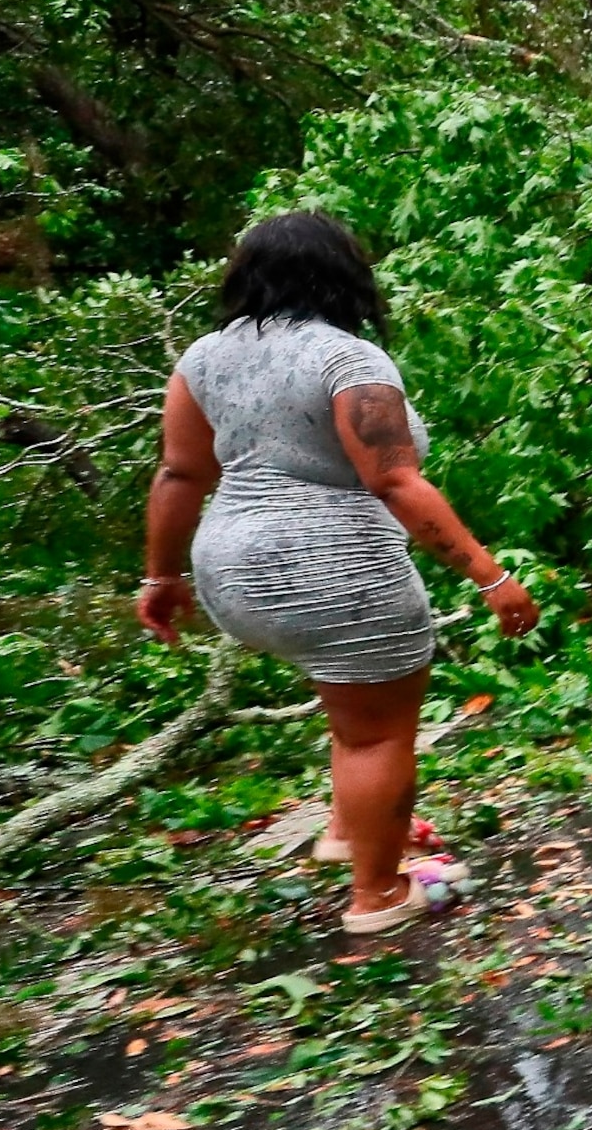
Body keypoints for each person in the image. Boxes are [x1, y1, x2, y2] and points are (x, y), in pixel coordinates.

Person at [137, 211, 540, 935]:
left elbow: (178, 471)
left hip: (231, 573)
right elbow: (395, 483)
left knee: (352, 716)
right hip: (337, 573)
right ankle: (377, 897)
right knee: (377, 737)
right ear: (347, 276)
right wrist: (490, 576)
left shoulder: (201, 358)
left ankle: (349, 833)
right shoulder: (349, 361)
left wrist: (160, 579)